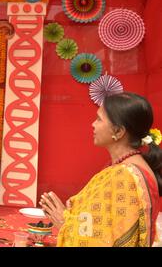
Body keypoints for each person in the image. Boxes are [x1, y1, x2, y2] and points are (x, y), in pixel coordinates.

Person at [40, 92, 161, 247]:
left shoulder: (125, 177)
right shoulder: (123, 168)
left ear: (118, 132)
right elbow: (101, 226)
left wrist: (64, 223)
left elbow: (106, 242)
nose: (93, 124)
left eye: (99, 119)